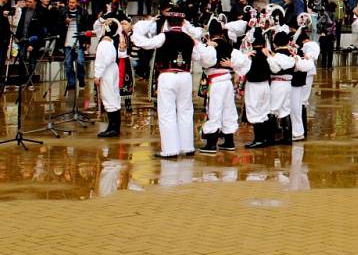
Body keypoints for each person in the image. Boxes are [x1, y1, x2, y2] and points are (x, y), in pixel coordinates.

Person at [131, 9, 206, 158]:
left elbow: (145, 43)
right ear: (183, 22)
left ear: (168, 23)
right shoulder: (189, 39)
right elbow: (199, 56)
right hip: (185, 76)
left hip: (167, 76)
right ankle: (187, 146)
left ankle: (170, 149)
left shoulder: (163, 36)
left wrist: (135, 35)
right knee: (185, 111)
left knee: (167, 112)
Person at [196, 19, 249, 154]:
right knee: (228, 109)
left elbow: (205, 61)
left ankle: (211, 143)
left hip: (216, 82)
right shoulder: (229, 47)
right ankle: (229, 141)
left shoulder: (211, 46)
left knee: (214, 110)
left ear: (210, 33)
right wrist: (232, 65)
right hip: (227, 81)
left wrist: (208, 46)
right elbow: (244, 63)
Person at [242, 27, 273, 148]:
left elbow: (242, 68)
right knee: (264, 110)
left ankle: (259, 139)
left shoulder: (251, 55)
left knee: (254, 110)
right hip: (265, 85)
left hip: (254, 85)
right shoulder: (267, 53)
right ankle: (267, 138)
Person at [93, 19, 123, 138]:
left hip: (107, 72)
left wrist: (97, 75)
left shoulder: (104, 44)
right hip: (112, 69)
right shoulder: (110, 42)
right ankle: (115, 127)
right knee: (113, 97)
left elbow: (101, 62)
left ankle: (113, 128)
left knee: (109, 97)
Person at [60, 0, 91, 91]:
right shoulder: (63, 12)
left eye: (73, 2)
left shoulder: (83, 12)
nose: (71, 4)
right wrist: (64, 22)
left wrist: (87, 41)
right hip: (67, 41)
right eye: (70, 2)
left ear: (77, 3)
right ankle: (71, 83)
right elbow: (57, 26)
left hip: (79, 41)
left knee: (80, 62)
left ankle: (81, 79)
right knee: (68, 64)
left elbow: (87, 27)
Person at [316, 1, 336, 69]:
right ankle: (329, 66)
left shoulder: (325, 14)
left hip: (325, 36)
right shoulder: (328, 14)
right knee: (330, 52)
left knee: (324, 52)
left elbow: (318, 24)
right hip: (329, 36)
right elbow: (319, 24)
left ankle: (324, 66)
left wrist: (321, 32)